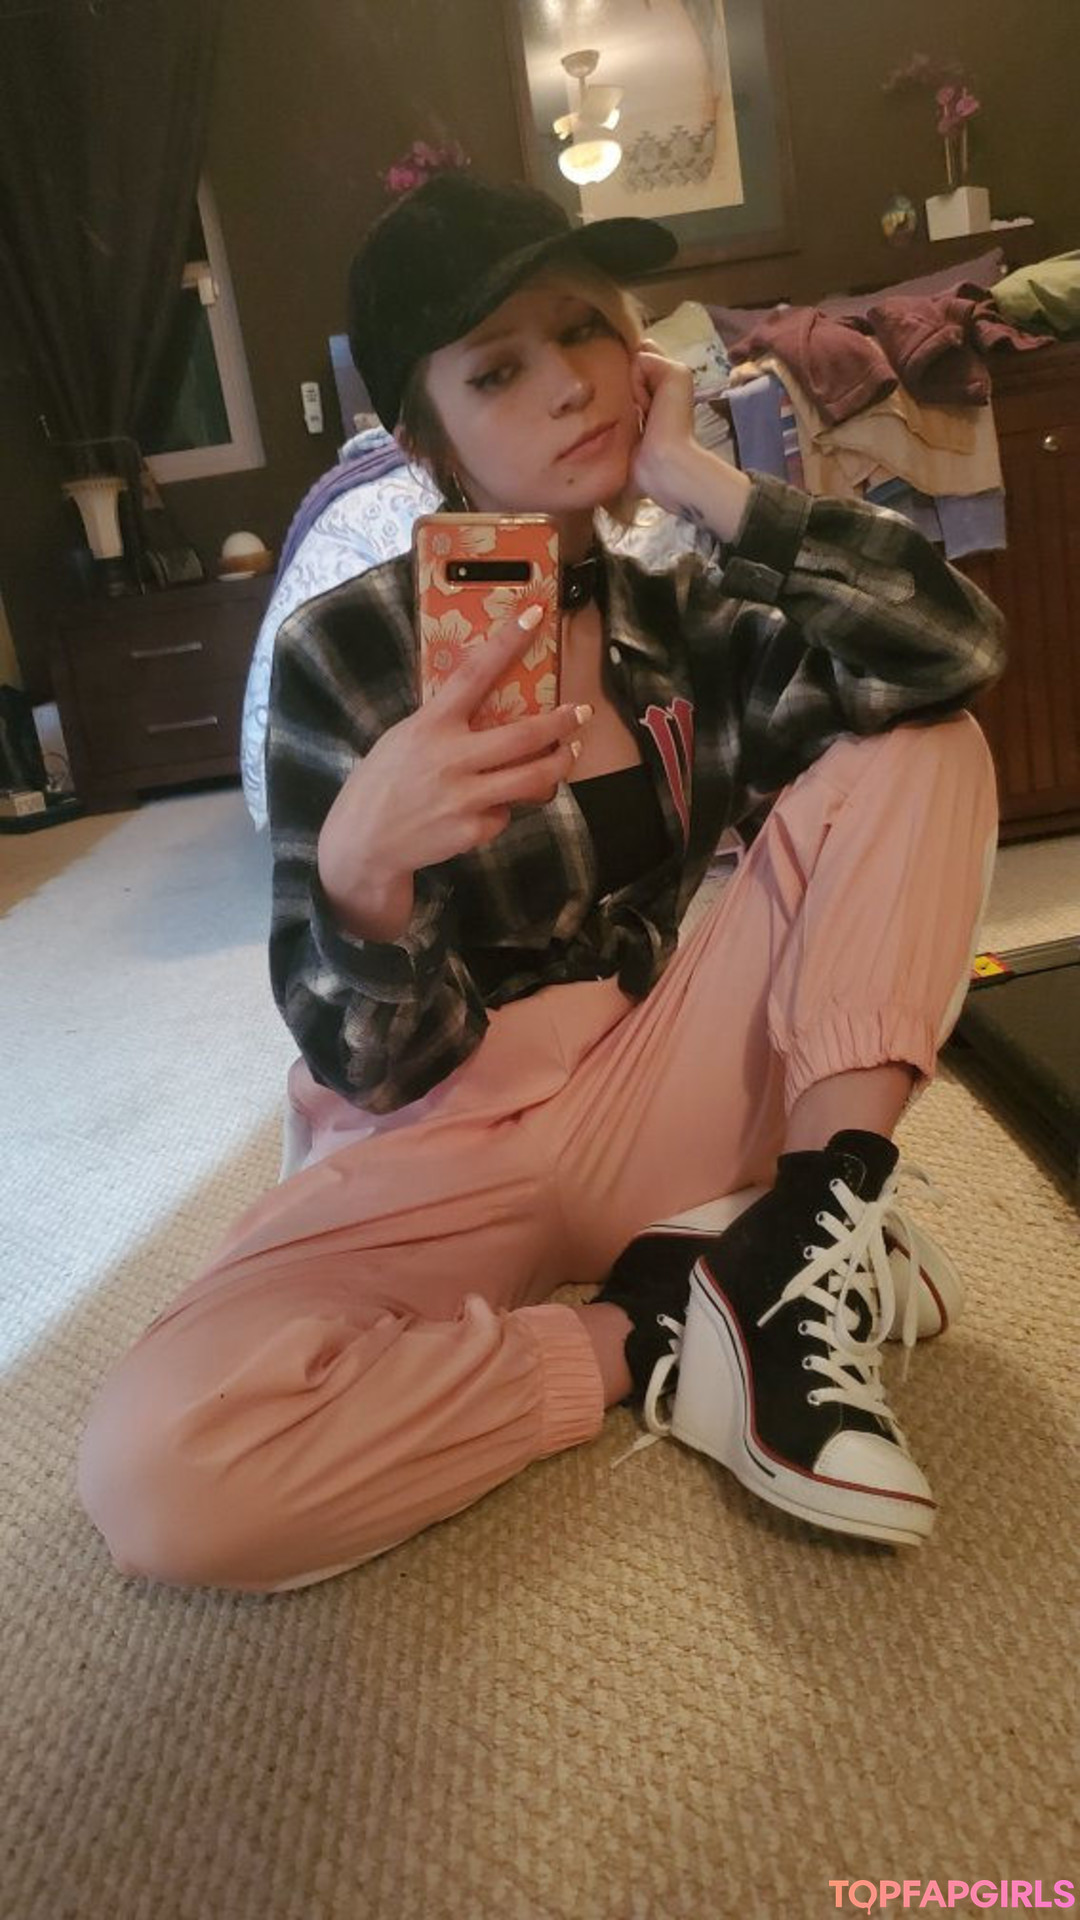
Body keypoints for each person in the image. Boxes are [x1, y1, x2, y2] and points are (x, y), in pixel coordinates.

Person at [77, 174, 1004, 1592]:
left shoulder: (687, 615)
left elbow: (946, 653)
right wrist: (364, 868)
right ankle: (663, 1318)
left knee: (924, 742)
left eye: (583, 330)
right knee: (162, 1476)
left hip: (654, 1078)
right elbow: (375, 1065)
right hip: (441, 1130)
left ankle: (803, 1233)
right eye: (498, 368)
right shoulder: (346, 655)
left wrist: (707, 487)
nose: (569, 383)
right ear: (422, 435)